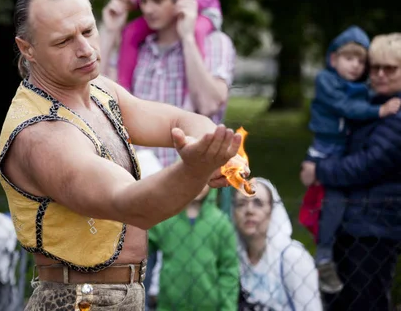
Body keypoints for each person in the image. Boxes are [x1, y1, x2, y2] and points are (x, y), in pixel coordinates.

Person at [0, 0, 248, 310]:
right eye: (63, 41)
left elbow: (179, 121)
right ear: (27, 48)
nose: (85, 48)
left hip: (114, 295)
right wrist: (196, 168)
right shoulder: (41, 134)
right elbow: (133, 206)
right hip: (76, 301)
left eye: (88, 31)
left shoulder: (99, 91)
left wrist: (212, 148)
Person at [101, 0, 237, 307]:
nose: (147, 9)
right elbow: (96, 96)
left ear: (180, 1)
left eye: (157, 0)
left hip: (192, 182)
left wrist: (189, 36)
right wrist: (111, 29)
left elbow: (208, 101)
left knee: (183, 283)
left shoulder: (216, 42)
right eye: (143, 1)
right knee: (132, 282)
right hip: (138, 179)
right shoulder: (138, 46)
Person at [301, 33, 401, 311]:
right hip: (356, 224)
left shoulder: (396, 113)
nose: (379, 74)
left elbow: (367, 164)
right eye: (375, 67)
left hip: (375, 229)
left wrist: (319, 170)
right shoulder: (373, 106)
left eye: (390, 68)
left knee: (366, 302)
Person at [233, 178, 322, 311]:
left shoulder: (293, 257)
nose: (249, 210)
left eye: (258, 203)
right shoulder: (234, 259)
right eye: (241, 204)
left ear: (272, 210)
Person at [147, 185, 239, 311]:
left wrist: (227, 308)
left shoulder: (221, 223)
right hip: (168, 307)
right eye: (195, 172)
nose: (199, 181)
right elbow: (143, 247)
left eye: (204, 175)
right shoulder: (166, 218)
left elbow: (229, 270)